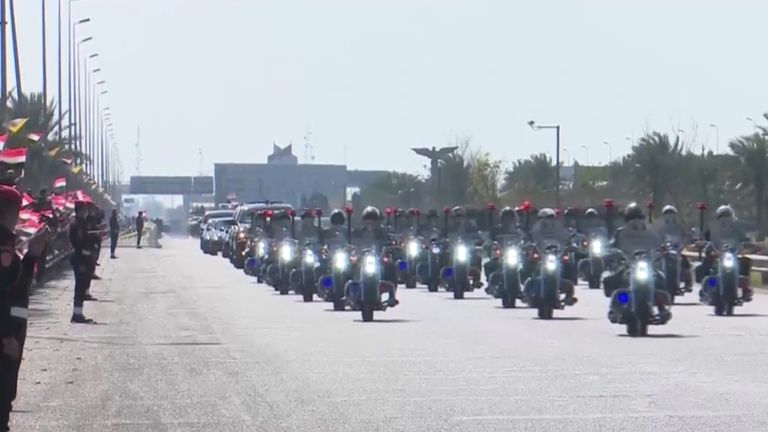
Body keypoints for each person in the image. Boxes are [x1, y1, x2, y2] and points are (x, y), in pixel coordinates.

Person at [0, 185, 47, 431]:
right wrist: (5, 336)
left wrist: (30, 256)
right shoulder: (4, 250)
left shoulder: (8, 245)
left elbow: (15, 287)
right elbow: (7, 295)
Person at [70, 202, 96, 323]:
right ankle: (77, 315)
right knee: (80, 286)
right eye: (84, 209)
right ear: (80, 210)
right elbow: (79, 242)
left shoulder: (81, 223)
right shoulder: (77, 224)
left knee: (81, 285)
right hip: (80, 258)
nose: (86, 212)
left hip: (82, 257)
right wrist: (87, 252)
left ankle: (78, 313)